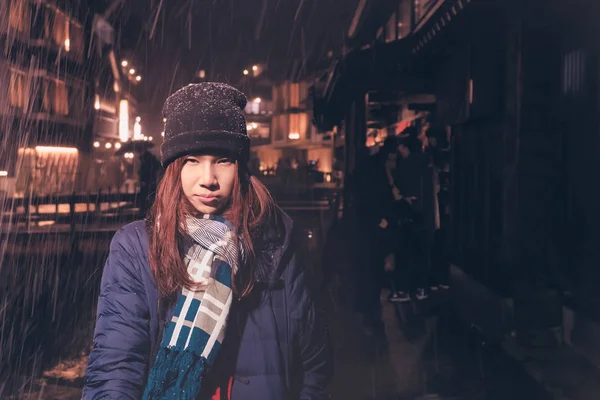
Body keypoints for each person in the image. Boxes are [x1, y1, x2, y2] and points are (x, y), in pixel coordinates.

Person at [82, 83, 332, 400]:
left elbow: (314, 365)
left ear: (241, 167)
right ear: (174, 167)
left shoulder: (276, 243)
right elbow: (115, 368)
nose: (208, 178)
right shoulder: (137, 247)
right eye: (192, 160)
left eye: (223, 160)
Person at [392, 134, 437, 301]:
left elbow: (399, 188)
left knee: (404, 254)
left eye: (402, 148)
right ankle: (422, 289)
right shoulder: (428, 164)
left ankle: (403, 290)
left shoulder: (405, 166)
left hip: (409, 216)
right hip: (426, 217)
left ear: (407, 148)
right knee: (423, 255)